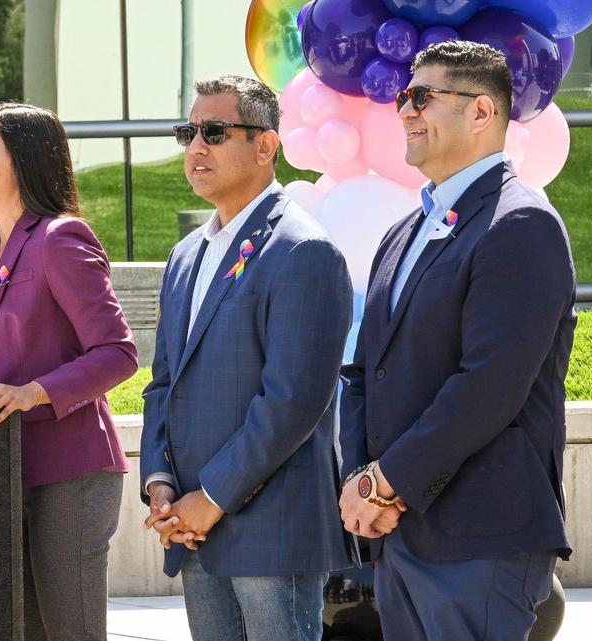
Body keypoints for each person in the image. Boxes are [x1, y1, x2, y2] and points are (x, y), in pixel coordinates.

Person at [339, 41, 574, 641]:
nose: (405, 110)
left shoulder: (521, 223)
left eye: (422, 96)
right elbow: (364, 372)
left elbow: (488, 387)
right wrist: (363, 481)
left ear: (481, 112)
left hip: (479, 539)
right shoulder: (403, 232)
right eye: (403, 97)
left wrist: (384, 483)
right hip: (398, 536)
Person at [139, 76, 353, 641]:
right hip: (190, 528)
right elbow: (164, 383)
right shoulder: (186, 255)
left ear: (266, 146)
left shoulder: (303, 249)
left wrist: (211, 497)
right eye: (188, 132)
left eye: (214, 132)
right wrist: (160, 482)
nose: (195, 147)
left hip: (269, 530)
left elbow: (292, 401)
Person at [0, 103, 138, 641]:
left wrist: (35, 392)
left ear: (25, 162)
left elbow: (118, 351)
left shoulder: (60, 238)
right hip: (3, 471)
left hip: (68, 472)